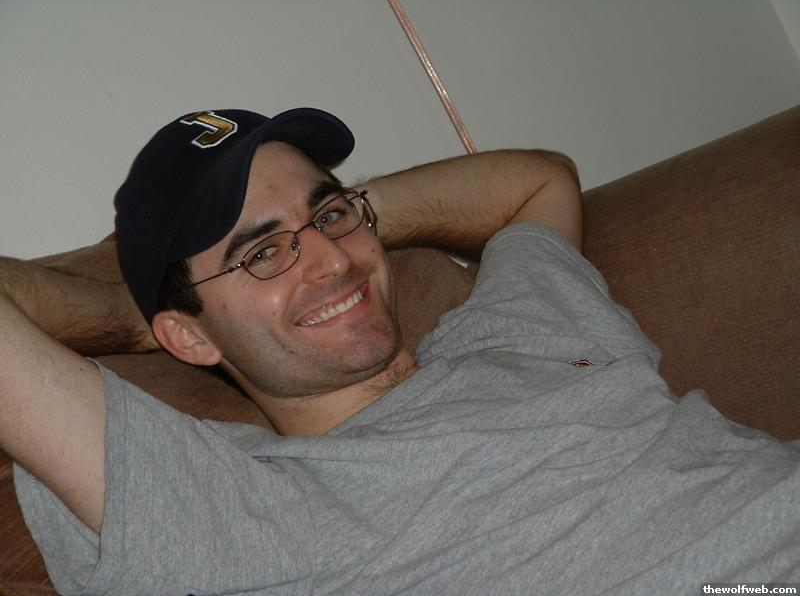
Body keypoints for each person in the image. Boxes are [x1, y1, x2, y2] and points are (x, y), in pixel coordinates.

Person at [0, 107, 798, 596]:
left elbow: (538, 184)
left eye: (329, 217)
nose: (331, 260)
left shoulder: (514, 327)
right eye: (263, 253)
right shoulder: (229, 507)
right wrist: (135, 319)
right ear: (191, 335)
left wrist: (352, 214)